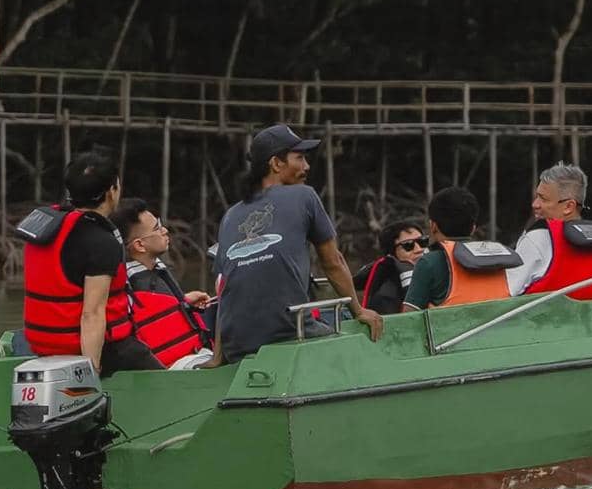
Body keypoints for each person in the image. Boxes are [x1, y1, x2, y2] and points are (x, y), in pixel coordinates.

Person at [212, 124, 383, 363]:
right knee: (343, 319)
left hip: (236, 343)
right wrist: (359, 310)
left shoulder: (229, 216)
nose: (306, 167)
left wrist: (217, 357)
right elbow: (333, 262)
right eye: (300, 158)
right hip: (288, 333)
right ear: (276, 163)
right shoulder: (305, 196)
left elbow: (224, 288)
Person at [20, 151, 163, 376]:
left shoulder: (46, 230)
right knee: (159, 376)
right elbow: (92, 314)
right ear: (111, 191)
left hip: (43, 345)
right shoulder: (101, 242)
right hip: (94, 349)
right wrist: (90, 372)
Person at [112, 198, 214, 369]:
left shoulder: (154, 271)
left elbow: (159, 313)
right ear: (140, 245)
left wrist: (183, 302)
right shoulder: (130, 288)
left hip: (192, 356)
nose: (165, 230)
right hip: (176, 367)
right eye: (157, 228)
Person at [505, 162, 592, 299]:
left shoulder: (537, 238)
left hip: (540, 318)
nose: (535, 204)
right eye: (537, 196)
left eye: (543, 198)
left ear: (568, 206)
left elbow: (508, 290)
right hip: (587, 318)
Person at [402, 187, 511, 310]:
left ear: (433, 226)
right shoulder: (498, 257)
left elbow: (409, 315)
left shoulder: (429, 262)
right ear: (473, 228)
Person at [354, 220, 428, 314]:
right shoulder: (386, 294)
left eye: (423, 242)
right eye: (408, 245)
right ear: (391, 254)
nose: (419, 250)